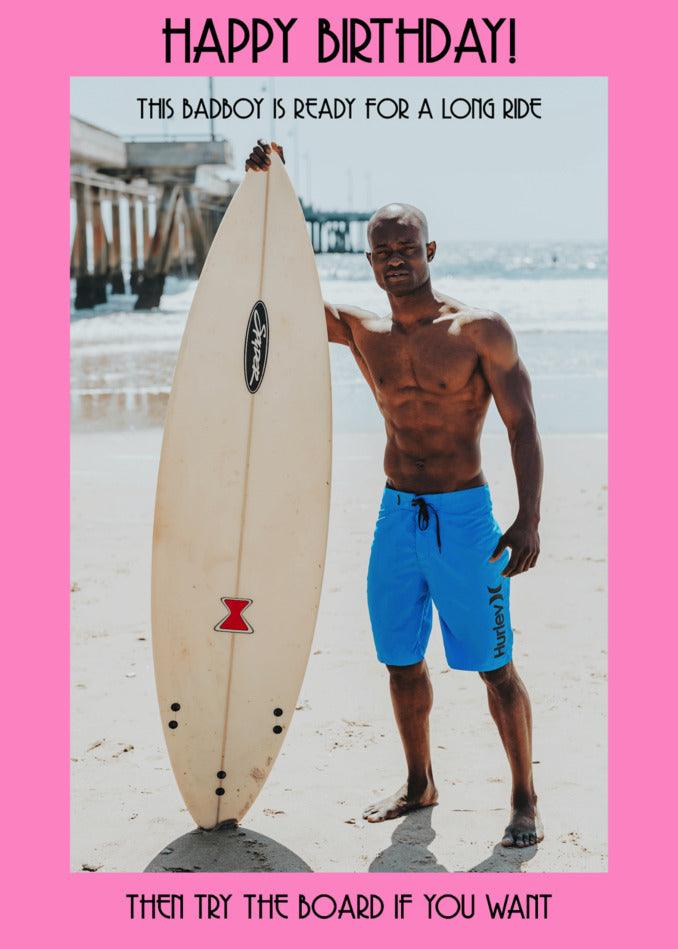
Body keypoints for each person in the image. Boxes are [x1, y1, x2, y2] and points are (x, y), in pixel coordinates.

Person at [246, 141, 544, 848]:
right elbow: (275, 291)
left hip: (465, 516)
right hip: (396, 514)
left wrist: (528, 518)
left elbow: (523, 424)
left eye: (406, 248)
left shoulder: (478, 330)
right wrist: (267, 191)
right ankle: (419, 782)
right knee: (400, 659)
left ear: (429, 249)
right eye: (383, 252)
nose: (395, 260)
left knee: (495, 667)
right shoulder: (362, 331)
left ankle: (524, 798)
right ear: (369, 260)